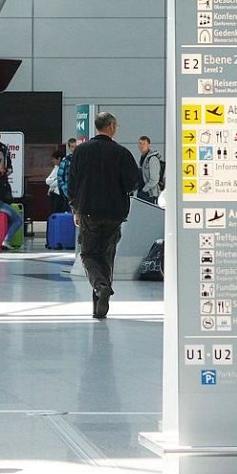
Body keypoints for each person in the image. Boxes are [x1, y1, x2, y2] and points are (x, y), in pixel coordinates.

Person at [69, 111, 139, 319]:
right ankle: (101, 302)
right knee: (106, 255)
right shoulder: (122, 153)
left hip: (89, 211)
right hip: (114, 212)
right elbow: (132, 183)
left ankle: (100, 287)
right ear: (110, 127)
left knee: (89, 254)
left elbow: (72, 184)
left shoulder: (81, 152)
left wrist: (75, 208)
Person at [136, 135, 162, 204]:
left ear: (149, 145)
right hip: (145, 192)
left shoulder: (152, 159)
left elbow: (154, 179)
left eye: (144, 144)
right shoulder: (143, 158)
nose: (142, 146)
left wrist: (144, 190)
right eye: (140, 144)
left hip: (150, 194)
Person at [45, 149, 68, 213]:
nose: (52, 161)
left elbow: (59, 181)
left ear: (59, 159)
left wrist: (53, 181)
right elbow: (47, 181)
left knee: (58, 211)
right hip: (53, 193)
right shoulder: (55, 168)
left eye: (54, 159)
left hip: (59, 194)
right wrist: (53, 180)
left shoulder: (63, 167)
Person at [57, 137, 77, 208]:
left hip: (78, 190)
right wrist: (64, 187)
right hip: (68, 190)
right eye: (72, 147)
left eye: (76, 146)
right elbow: (59, 176)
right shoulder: (65, 160)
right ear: (69, 147)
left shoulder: (80, 159)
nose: (74, 149)